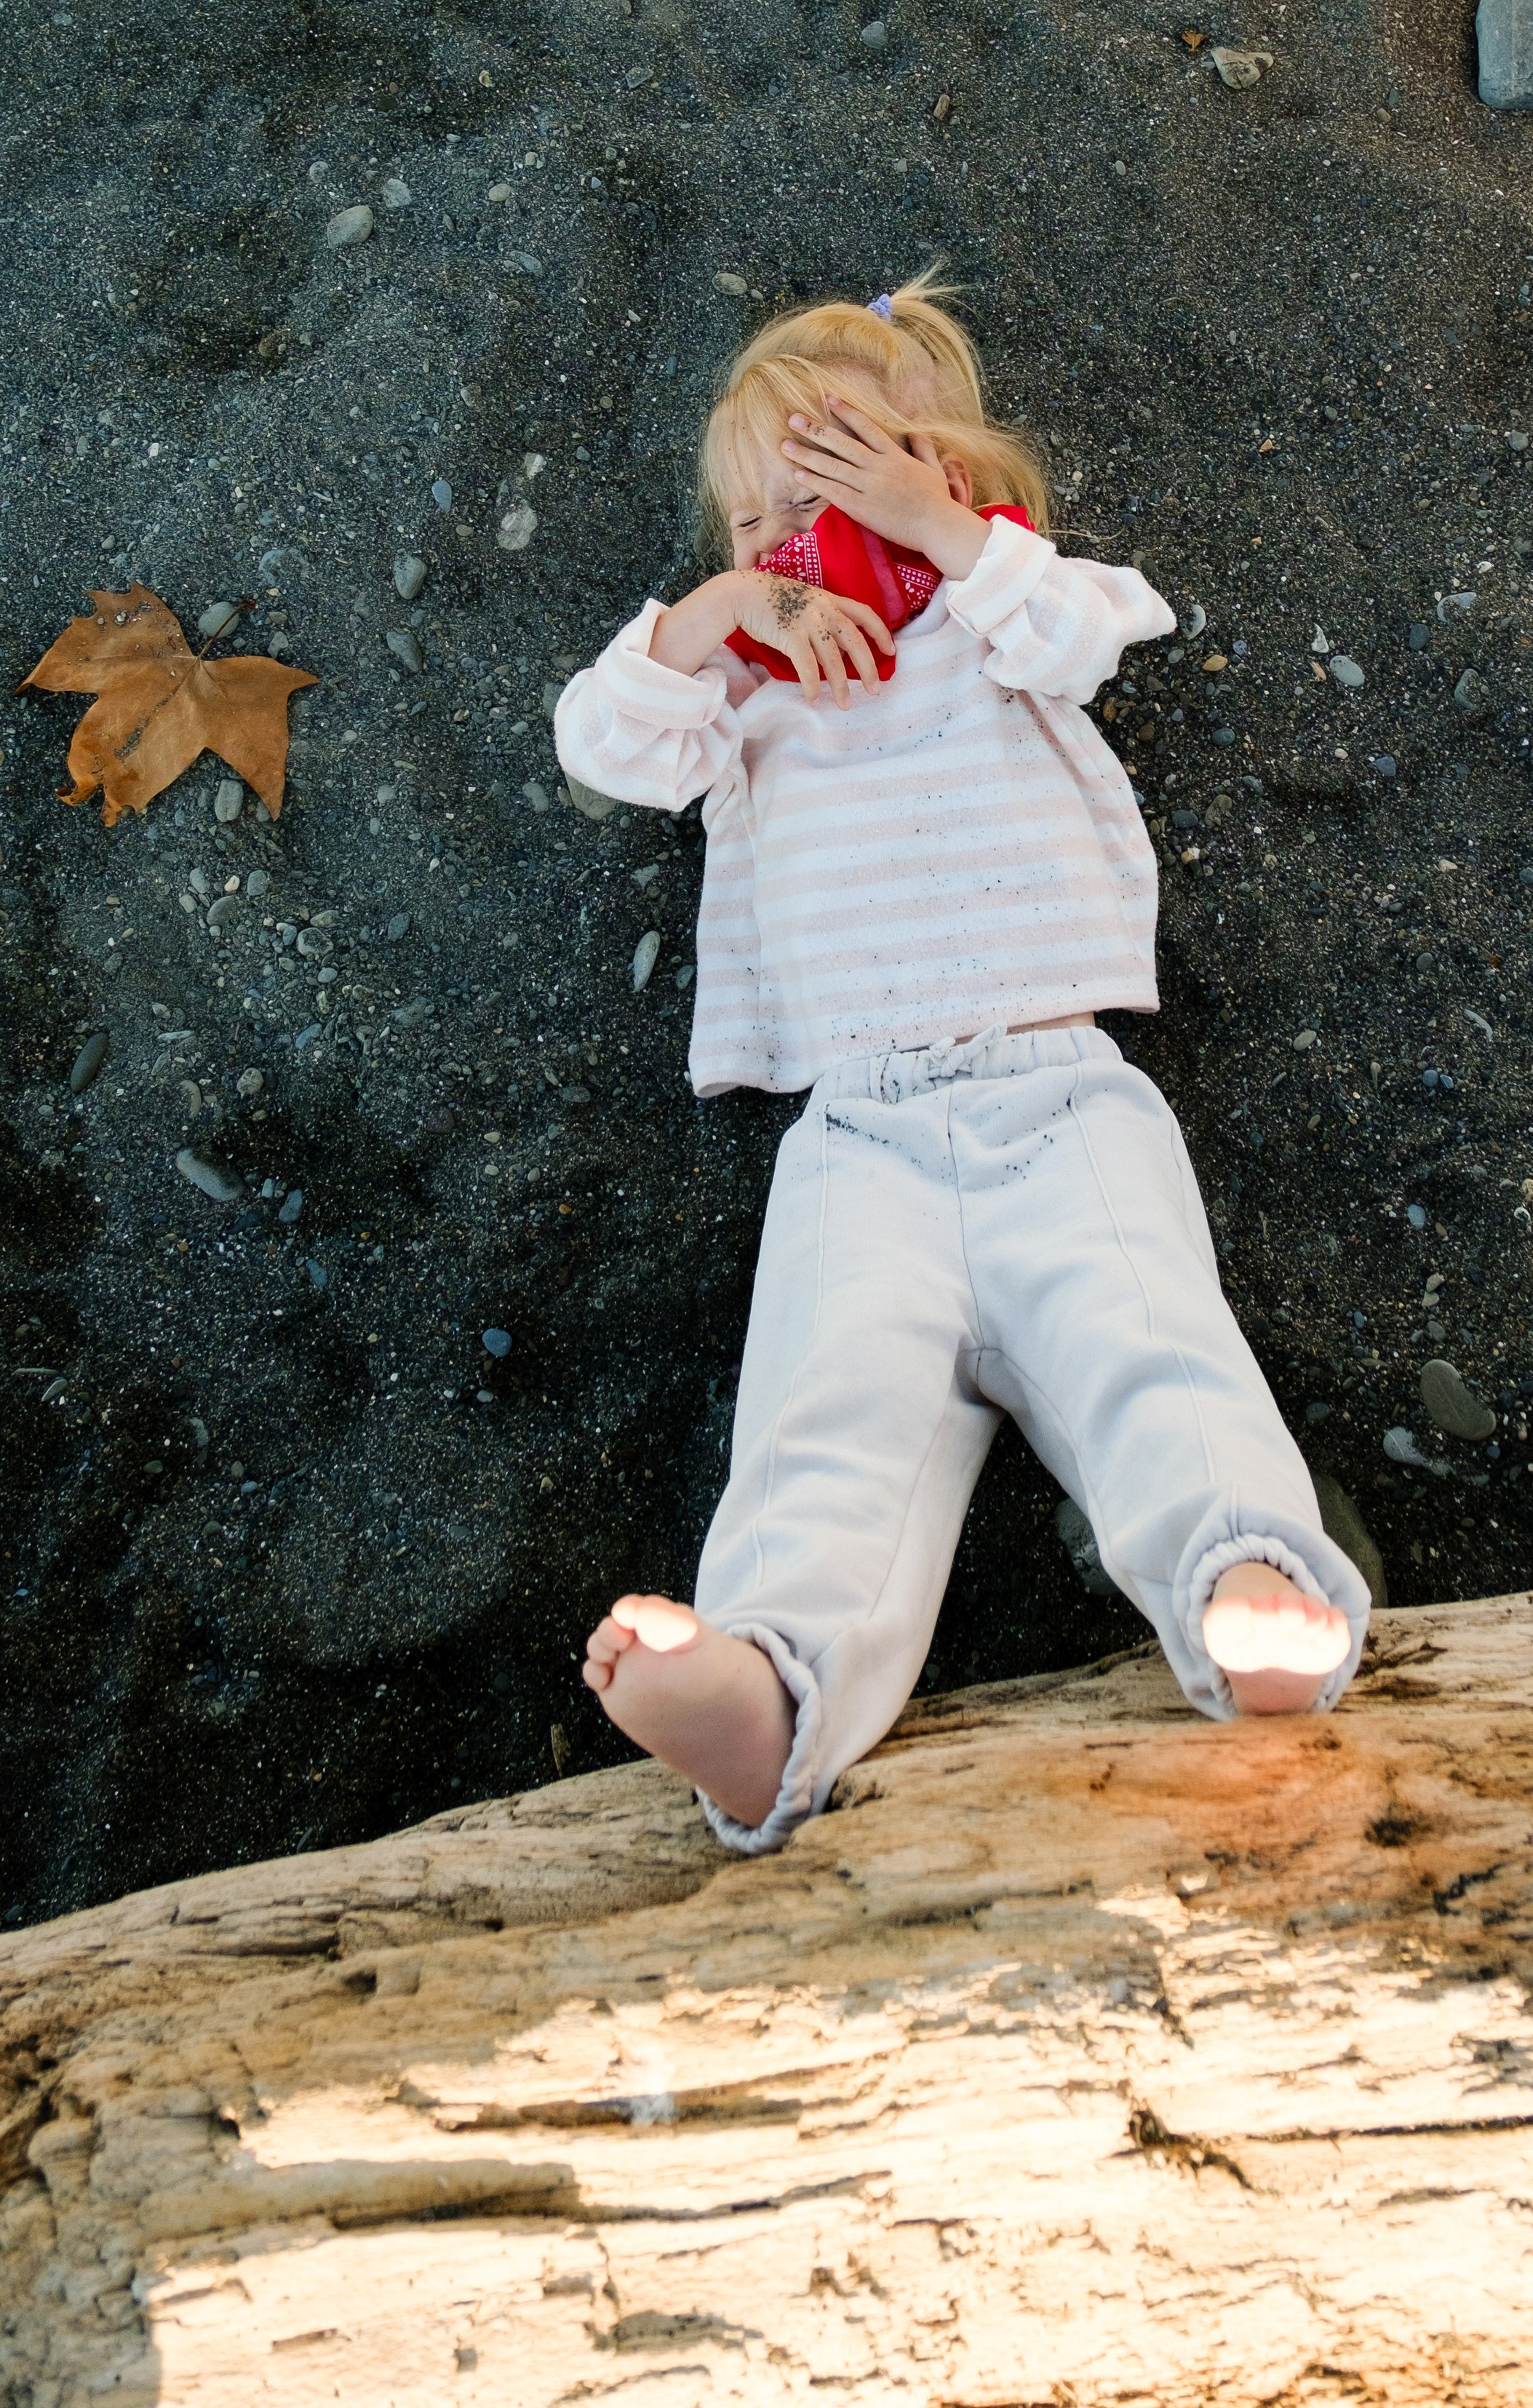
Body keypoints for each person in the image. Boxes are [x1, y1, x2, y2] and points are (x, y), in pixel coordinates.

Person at [554, 274, 1366, 1857]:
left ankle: (1239, 1585)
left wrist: (942, 541)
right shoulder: (739, 705)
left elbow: (1087, 626)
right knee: (823, 1417)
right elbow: (602, 740)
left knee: (1151, 1352)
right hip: (853, 1138)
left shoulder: (1002, 631)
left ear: (955, 492)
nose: (790, 556)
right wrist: (716, 624)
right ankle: (763, 1691)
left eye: (831, 506)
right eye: (755, 533)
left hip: (1054, 1095)